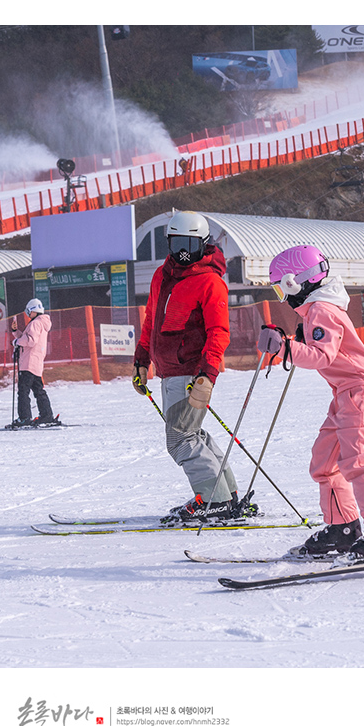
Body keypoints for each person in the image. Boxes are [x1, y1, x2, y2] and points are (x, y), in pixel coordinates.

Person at [258, 244, 364, 558]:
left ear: (295, 282)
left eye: (280, 289)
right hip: (344, 391)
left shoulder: (322, 309)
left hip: (359, 388)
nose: (282, 297)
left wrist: (285, 348)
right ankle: (343, 527)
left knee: (355, 459)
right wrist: (294, 340)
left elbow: (321, 356)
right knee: (324, 461)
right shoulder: (317, 310)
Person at [132, 209, 247, 522]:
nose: (184, 252)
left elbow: (218, 333)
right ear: (169, 242)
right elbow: (151, 321)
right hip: (168, 370)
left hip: (192, 372)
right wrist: (142, 360)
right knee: (192, 435)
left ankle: (216, 499)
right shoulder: (162, 276)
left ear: (204, 244)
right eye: (177, 243)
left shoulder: (210, 282)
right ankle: (227, 494)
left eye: (191, 245)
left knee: (181, 439)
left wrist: (206, 376)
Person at [11, 298, 56, 426]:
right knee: (38, 389)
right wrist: (16, 333)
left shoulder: (35, 323)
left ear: (33, 310)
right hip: (35, 362)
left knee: (23, 391)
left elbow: (30, 340)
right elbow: (29, 338)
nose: (27, 314)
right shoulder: (42, 322)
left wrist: (16, 342)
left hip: (28, 362)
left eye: (28, 311)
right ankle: (46, 415)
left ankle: (24, 417)